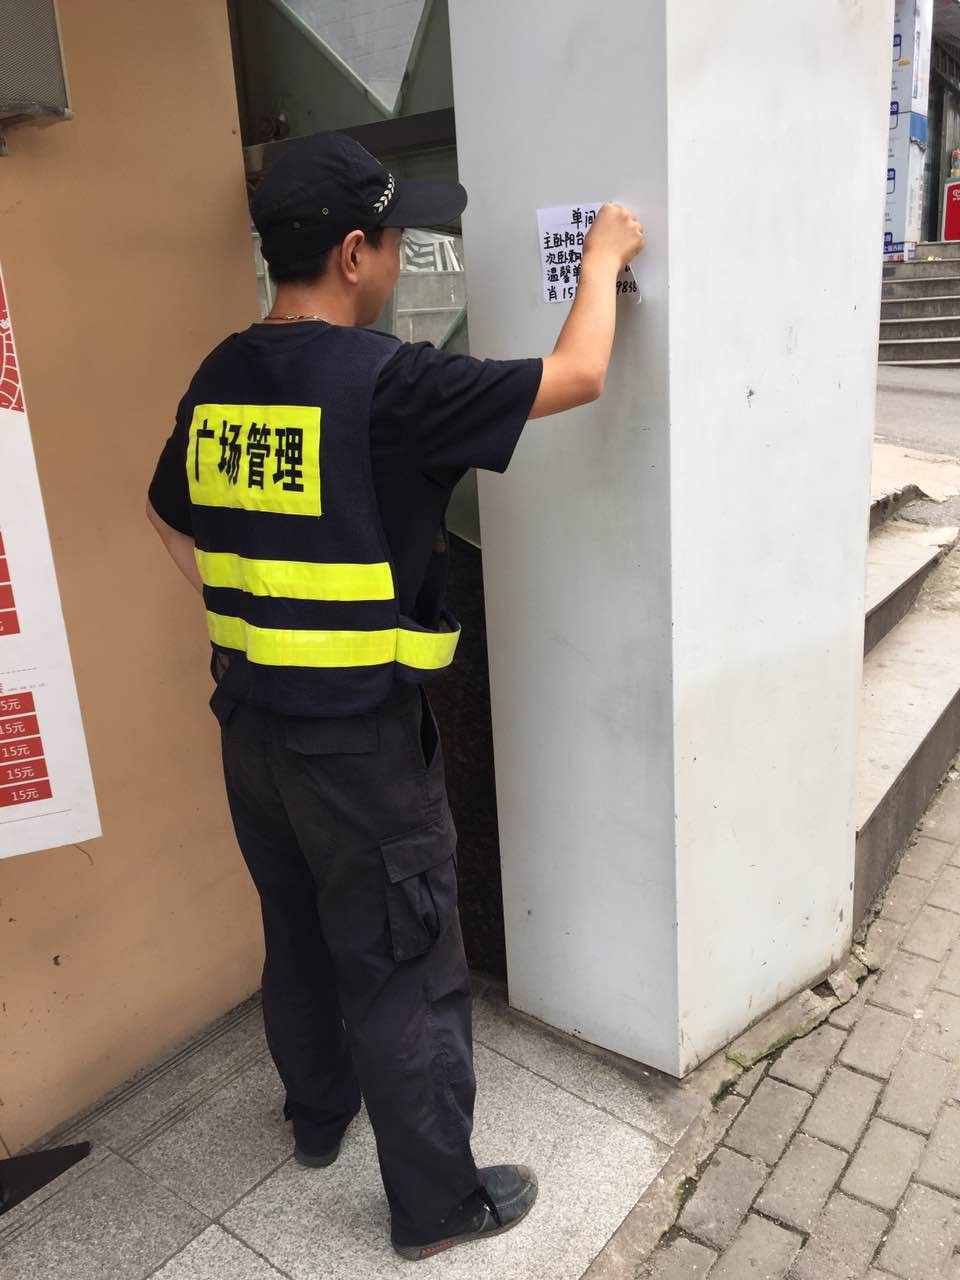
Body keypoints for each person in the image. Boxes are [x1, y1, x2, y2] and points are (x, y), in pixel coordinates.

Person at [146, 130, 643, 1261]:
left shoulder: (221, 375)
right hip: (359, 753)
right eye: (399, 237)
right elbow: (577, 375)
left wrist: (256, 617)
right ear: (353, 253)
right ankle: (435, 1204)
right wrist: (605, 254)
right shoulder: (388, 385)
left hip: (251, 732)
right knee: (405, 970)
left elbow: (166, 514)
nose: (404, 253)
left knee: (297, 930)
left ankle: (318, 1115)